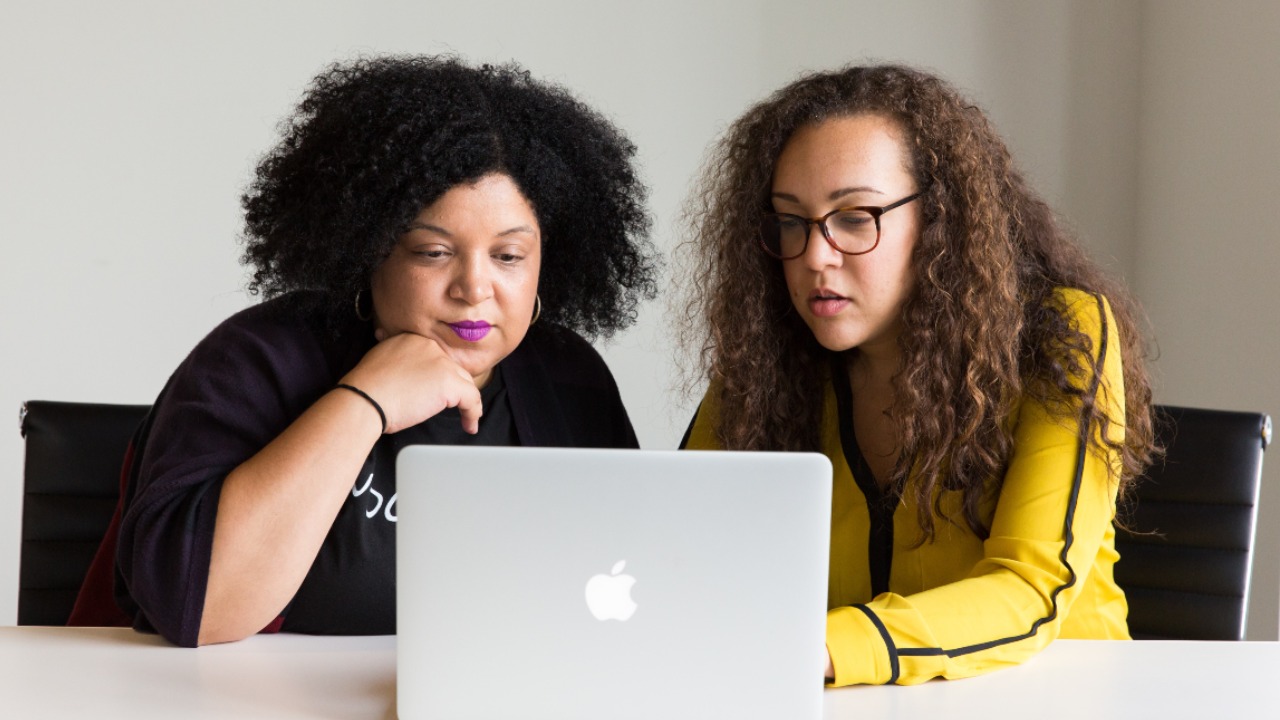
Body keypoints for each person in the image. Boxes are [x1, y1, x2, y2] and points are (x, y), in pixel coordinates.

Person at [71, 56, 657, 647]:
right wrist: (366, 399)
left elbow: (633, 582)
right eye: (433, 252)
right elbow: (196, 611)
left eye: (508, 257)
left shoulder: (568, 378)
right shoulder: (258, 359)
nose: (474, 288)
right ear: (369, 248)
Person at [677, 64, 1158, 686]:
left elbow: (1028, 589)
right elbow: (683, 546)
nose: (815, 256)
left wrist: (818, 649)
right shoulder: (768, 357)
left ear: (940, 220)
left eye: (855, 217)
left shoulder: (1060, 336)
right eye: (791, 222)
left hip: (1054, 697)